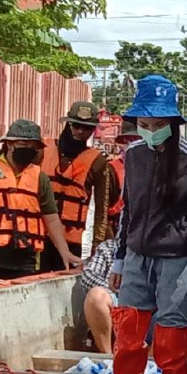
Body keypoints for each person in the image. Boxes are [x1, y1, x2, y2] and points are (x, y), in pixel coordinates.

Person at [110, 75, 187, 374]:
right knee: (129, 321)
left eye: (158, 123)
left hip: (176, 254)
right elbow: (127, 211)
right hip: (136, 253)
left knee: (172, 323)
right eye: (145, 123)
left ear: (173, 122)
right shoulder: (132, 155)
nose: (151, 129)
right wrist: (119, 259)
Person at [0, 119, 79, 279]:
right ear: (9, 144)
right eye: (23, 144)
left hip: (27, 259)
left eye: (33, 146)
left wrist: (65, 252)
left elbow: (52, 220)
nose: (28, 149)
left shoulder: (40, 178)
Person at [47, 102, 113, 270]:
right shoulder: (44, 149)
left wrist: (96, 250)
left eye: (87, 128)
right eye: (76, 126)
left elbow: (102, 210)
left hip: (71, 241)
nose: (80, 132)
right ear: (68, 124)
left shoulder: (98, 161)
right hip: (39, 239)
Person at [75, 236, 119, 352]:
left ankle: (152, 364)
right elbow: (88, 275)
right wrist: (113, 288)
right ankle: (107, 358)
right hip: (118, 301)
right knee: (97, 296)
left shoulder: (162, 248)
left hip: (152, 307)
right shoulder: (110, 247)